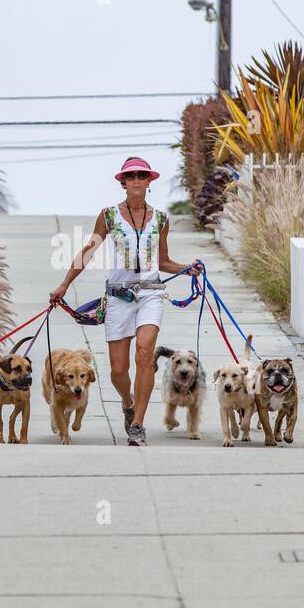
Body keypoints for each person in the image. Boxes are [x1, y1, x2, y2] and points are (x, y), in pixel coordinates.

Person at [49, 157, 204, 446]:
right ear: (123, 183)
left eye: (141, 176)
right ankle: (127, 400)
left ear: (149, 182)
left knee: (144, 354)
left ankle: (138, 425)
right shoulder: (109, 216)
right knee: (118, 371)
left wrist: (187, 268)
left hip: (150, 293)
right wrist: (64, 284)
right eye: (130, 176)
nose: (136, 180)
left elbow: (162, 260)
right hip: (119, 296)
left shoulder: (160, 219)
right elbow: (87, 252)